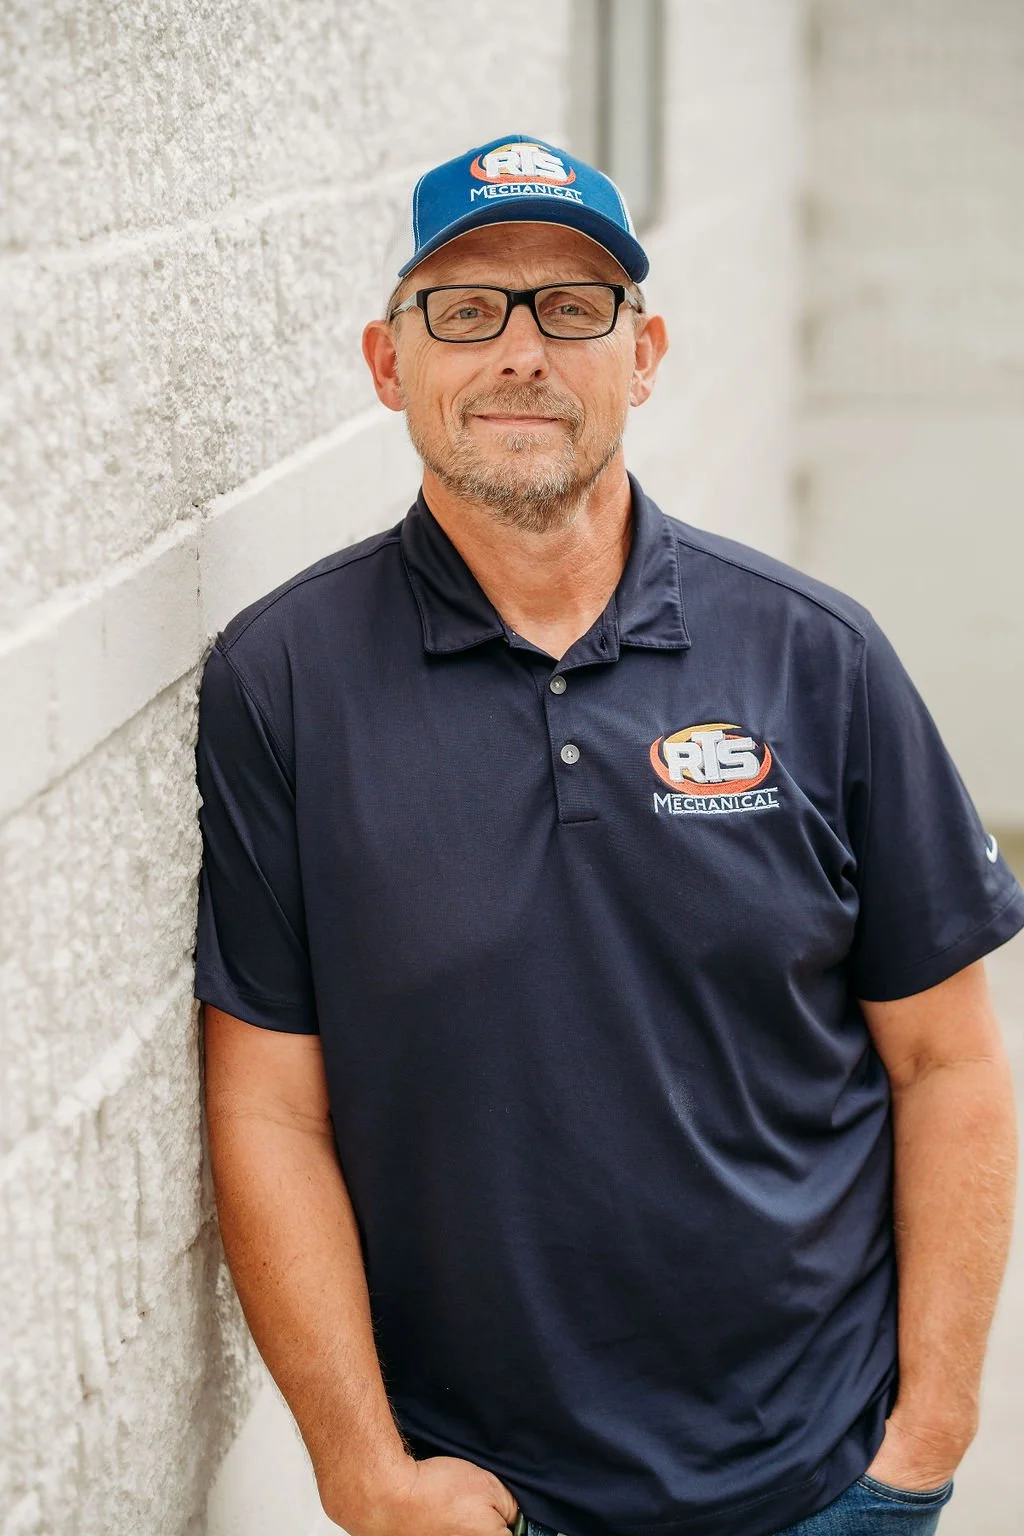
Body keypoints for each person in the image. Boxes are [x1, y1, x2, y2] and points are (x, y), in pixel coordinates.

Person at [192, 134, 1023, 1536]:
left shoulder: (818, 658)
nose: (522, 351)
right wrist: (361, 1470)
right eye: (467, 309)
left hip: (823, 1480)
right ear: (389, 364)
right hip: (491, 1501)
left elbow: (947, 1060)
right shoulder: (283, 683)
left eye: (573, 307)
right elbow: (269, 1106)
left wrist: (928, 1435)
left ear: (644, 356)